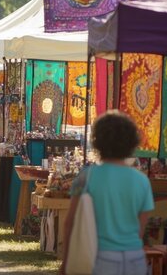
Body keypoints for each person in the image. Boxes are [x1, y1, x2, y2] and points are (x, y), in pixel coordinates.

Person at [61, 110, 154, 275]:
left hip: (100, 258)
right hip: (135, 258)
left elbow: (70, 223)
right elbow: (140, 230)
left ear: (97, 142)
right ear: (132, 142)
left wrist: (65, 263)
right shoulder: (142, 181)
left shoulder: (86, 177)